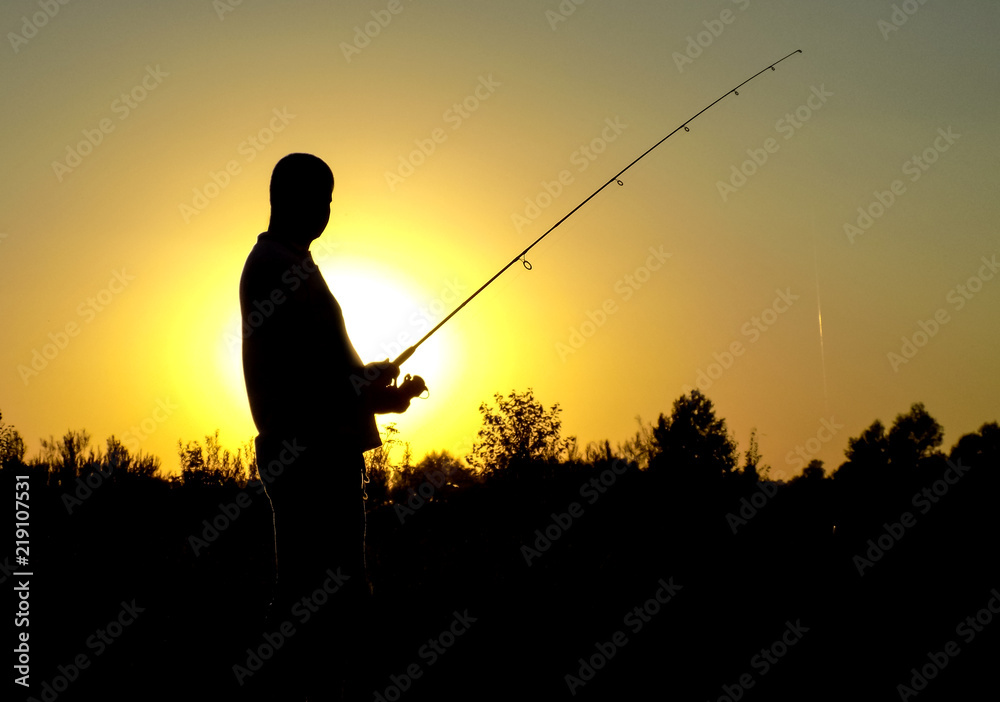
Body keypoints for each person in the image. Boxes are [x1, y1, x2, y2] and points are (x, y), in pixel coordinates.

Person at [240, 152, 425, 700]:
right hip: (309, 456)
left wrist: (375, 388)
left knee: (325, 594)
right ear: (283, 199)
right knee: (320, 596)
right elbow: (301, 377)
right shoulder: (274, 265)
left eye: (329, 199)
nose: (324, 211)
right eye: (316, 198)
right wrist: (361, 390)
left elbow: (323, 367)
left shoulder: (293, 261)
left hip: (323, 450)